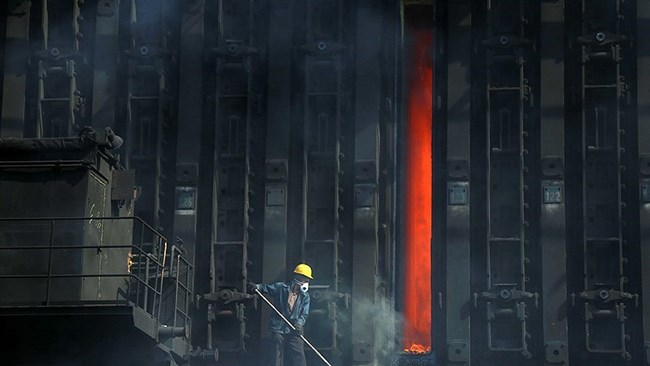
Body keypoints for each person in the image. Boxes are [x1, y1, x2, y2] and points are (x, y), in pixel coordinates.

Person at [249, 263, 313, 366]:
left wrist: (299, 323)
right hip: (278, 326)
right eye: (305, 279)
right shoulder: (281, 288)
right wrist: (256, 286)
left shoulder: (305, 296)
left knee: (298, 354)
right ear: (298, 277)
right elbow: (266, 288)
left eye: (308, 280)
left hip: (294, 328)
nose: (307, 282)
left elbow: (304, 314)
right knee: (276, 353)